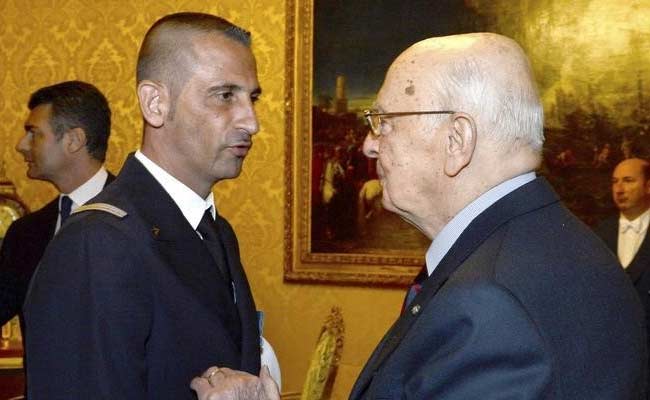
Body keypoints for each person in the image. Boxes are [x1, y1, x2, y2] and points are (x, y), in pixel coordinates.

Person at [190, 32, 647, 400]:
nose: (369, 145)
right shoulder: (556, 244)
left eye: (383, 122)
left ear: (457, 140)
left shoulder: (491, 305)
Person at [24, 12, 263, 399]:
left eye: (252, 98)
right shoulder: (98, 244)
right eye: (225, 96)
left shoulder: (215, 230)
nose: (251, 122)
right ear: (155, 104)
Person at [0, 80, 114, 344]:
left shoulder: (143, 218)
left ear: (73, 140)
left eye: (34, 133)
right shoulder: (25, 233)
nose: (21, 145)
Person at [595, 157, 650, 383]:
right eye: (615, 181)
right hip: (612, 357)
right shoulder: (598, 233)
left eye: (628, 180)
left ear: (648, 185)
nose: (619, 189)